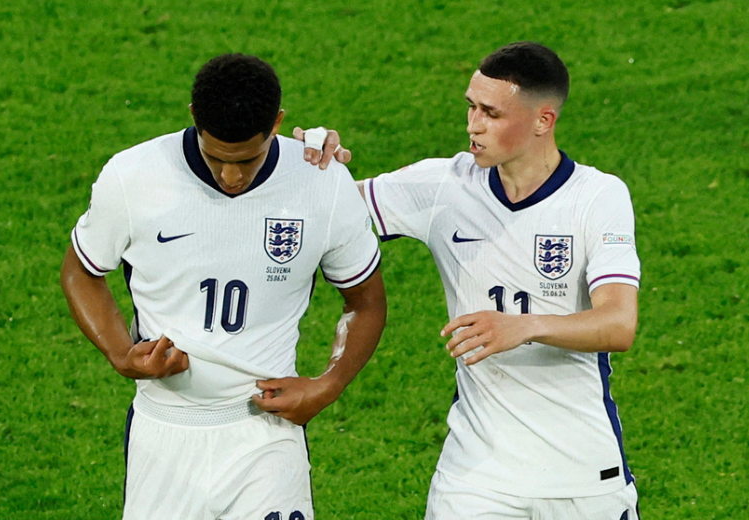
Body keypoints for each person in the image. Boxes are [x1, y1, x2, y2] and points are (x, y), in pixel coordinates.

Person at [304, 41, 642, 519]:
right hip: (477, 477)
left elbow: (618, 323)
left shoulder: (597, 197)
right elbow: (320, 213)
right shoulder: (445, 187)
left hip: (583, 476)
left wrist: (522, 326)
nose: (473, 124)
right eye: (471, 106)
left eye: (491, 113)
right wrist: (316, 169)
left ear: (543, 120)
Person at [60, 53, 386, 520]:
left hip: (265, 433)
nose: (231, 178)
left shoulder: (321, 181)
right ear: (194, 118)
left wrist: (328, 384)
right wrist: (119, 352)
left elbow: (366, 301)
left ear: (277, 123)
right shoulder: (134, 177)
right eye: (216, 158)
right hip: (164, 431)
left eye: (247, 160)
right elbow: (80, 270)